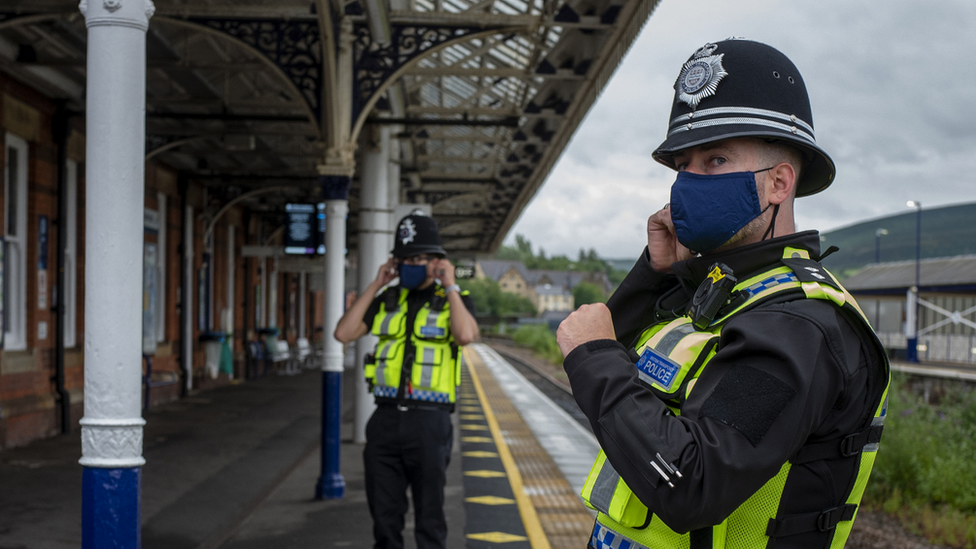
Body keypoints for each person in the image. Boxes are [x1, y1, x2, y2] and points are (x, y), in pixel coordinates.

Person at [556, 39, 890, 549]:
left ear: (779, 183)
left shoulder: (795, 326)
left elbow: (690, 483)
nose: (689, 182)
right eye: (683, 164)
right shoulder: (725, 294)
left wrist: (595, 356)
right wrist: (656, 273)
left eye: (715, 160)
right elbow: (619, 365)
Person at [334, 211, 479, 549]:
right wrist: (376, 283)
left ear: (436, 262)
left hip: (430, 422)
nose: (412, 264)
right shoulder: (386, 299)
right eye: (405, 259)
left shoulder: (453, 300)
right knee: (385, 522)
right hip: (384, 421)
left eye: (420, 258)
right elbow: (343, 333)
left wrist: (451, 285)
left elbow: (466, 335)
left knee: (430, 522)